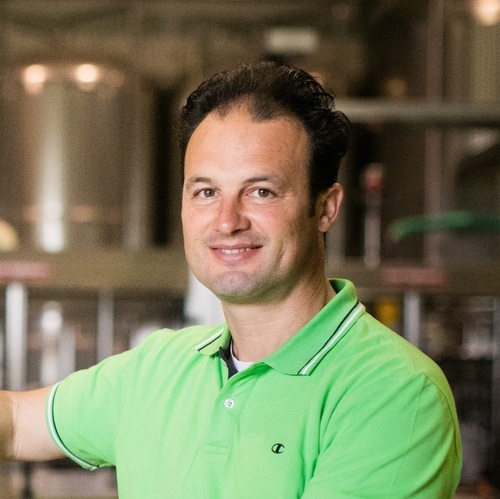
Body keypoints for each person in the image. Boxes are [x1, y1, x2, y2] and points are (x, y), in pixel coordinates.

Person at [0, 61, 461, 497]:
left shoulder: (395, 394)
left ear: (325, 208)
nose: (226, 221)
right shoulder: (160, 369)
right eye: (206, 192)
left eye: (260, 191)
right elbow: (16, 423)